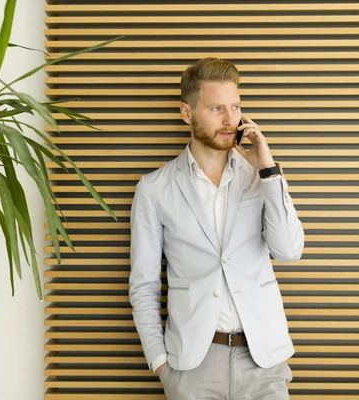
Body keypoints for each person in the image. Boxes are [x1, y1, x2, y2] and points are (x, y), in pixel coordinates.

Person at [129, 57, 305, 400]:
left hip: (263, 361)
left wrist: (268, 170)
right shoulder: (154, 188)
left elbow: (289, 251)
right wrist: (160, 363)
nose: (230, 120)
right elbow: (144, 284)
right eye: (215, 109)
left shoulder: (260, 176)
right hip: (193, 365)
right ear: (186, 113)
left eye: (235, 106)